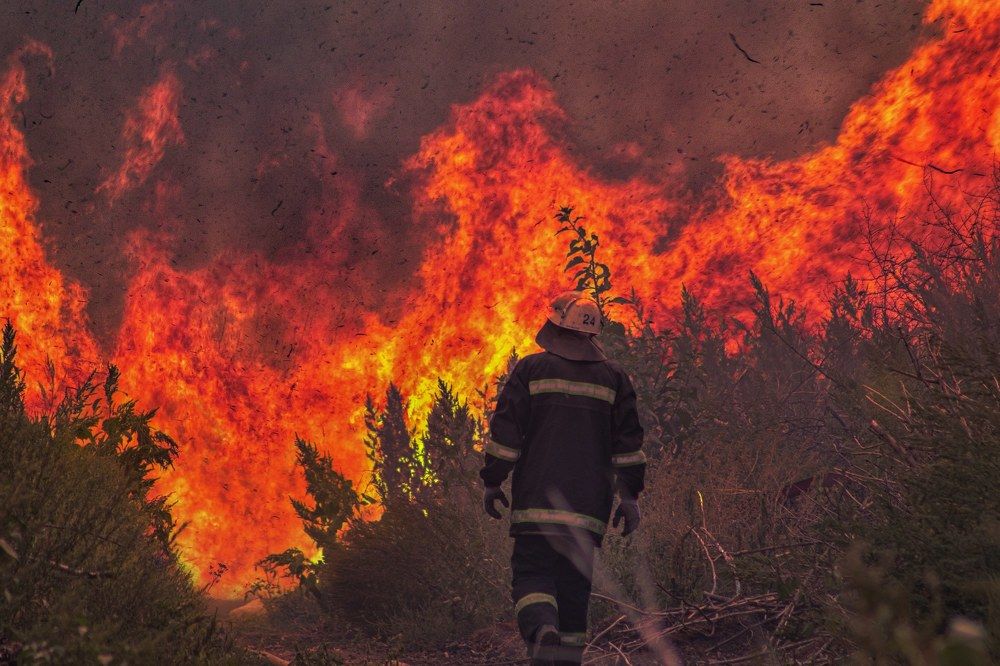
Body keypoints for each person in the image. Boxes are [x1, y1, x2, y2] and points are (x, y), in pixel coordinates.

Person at [480, 291, 646, 665]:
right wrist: (630, 497)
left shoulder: (530, 370)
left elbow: (506, 437)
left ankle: (541, 629)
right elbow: (628, 446)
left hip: (537, 505)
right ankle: (567, 656)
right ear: (593, 336)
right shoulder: (615, 378)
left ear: (554, 326)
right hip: (588, 511)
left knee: (533, 575)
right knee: (574, 591)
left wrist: (493, 481)